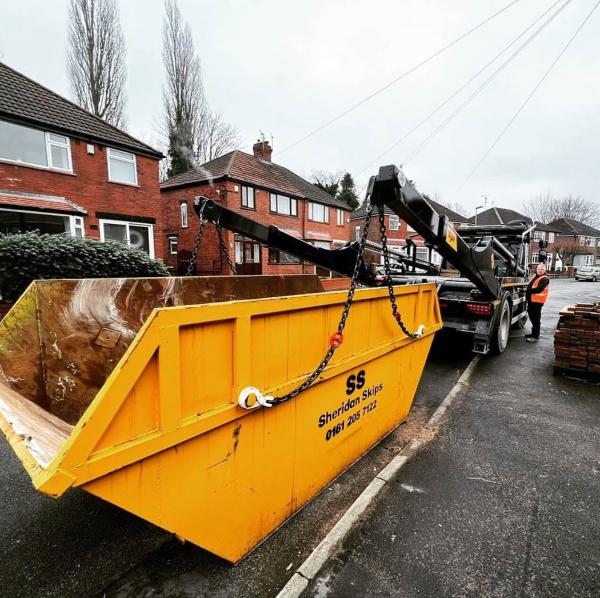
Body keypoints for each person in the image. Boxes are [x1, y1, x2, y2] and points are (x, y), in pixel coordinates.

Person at [525, 262, 549, 342]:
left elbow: (539, 289)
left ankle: (535, 336)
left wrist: (528, 290)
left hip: (537, 302)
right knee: (532, 317)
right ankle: (533, 333)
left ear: (545, 269)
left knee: (536, 319)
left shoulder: (544, 278)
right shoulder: (537, 276)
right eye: (539, 269)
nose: (540, 270)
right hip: (532, 301)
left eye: (542, 269)